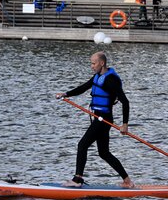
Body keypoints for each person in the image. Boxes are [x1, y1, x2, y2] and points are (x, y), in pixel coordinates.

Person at [56, 52, 134, 189]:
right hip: (98, 118)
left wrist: (125, 124)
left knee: (82, 145)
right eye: (91, 63)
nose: (92, 66)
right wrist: (66, 94)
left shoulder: (111, 80)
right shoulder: (98, 76)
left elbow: (125, 102)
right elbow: (84, 87)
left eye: (93, 63)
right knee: (104, 153)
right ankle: (127, 180)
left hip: (103, 120)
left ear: (102, 63)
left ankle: (78, 179)